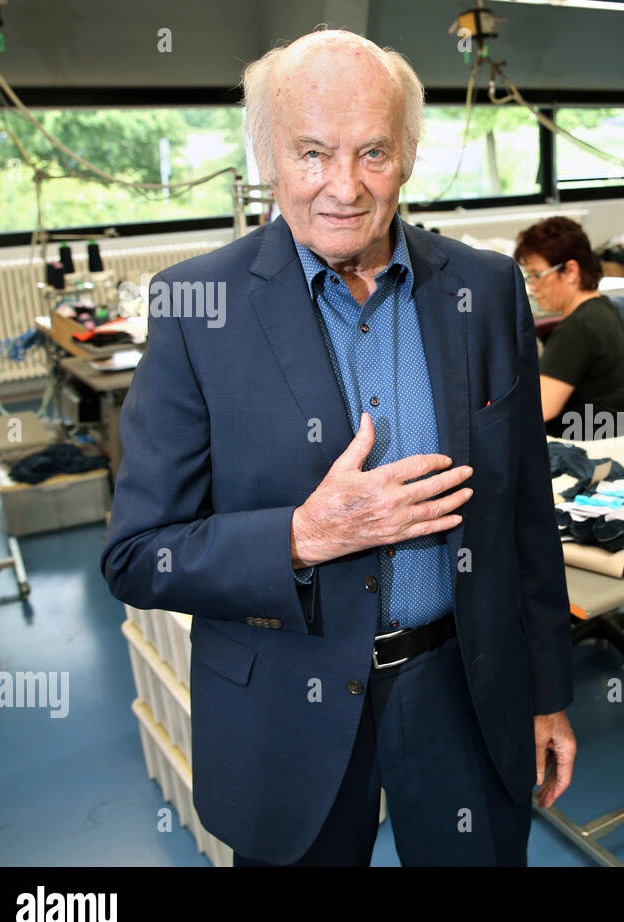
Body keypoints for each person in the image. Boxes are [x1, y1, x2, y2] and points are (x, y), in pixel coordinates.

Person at [101, 29, 576, 867]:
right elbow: (139, 556)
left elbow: (524, 519)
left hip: (464, 688)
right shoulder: (194, 308)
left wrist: (545, 693)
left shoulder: (486, 288)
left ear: (410, 155)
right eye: (312, 153)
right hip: (289, 700)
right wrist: (301, 538)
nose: (345, 188)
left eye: (374, 153)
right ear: (266, 157)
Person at [513, 217, 624, 438]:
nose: (532, 287)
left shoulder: (577, 328)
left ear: (570, 271)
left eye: (537, 275)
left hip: (583, 444)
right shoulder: (604, 309)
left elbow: (539, 409)